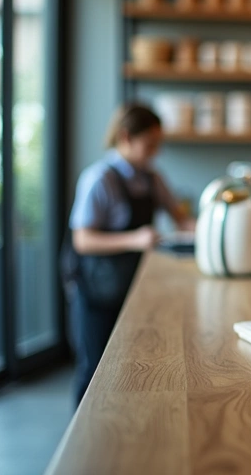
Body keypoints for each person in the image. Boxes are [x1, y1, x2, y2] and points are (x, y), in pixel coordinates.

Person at [64, 103, 192, 404]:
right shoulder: (98, 179)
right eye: (149, 145)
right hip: (96, 291)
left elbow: (181, 219)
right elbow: (82, 240)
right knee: (93, 371)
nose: (154, 153)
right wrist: (134, 239)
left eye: (157, 145)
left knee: (130, 369)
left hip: (134, 291)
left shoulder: (151, 177)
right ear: (125, 137)